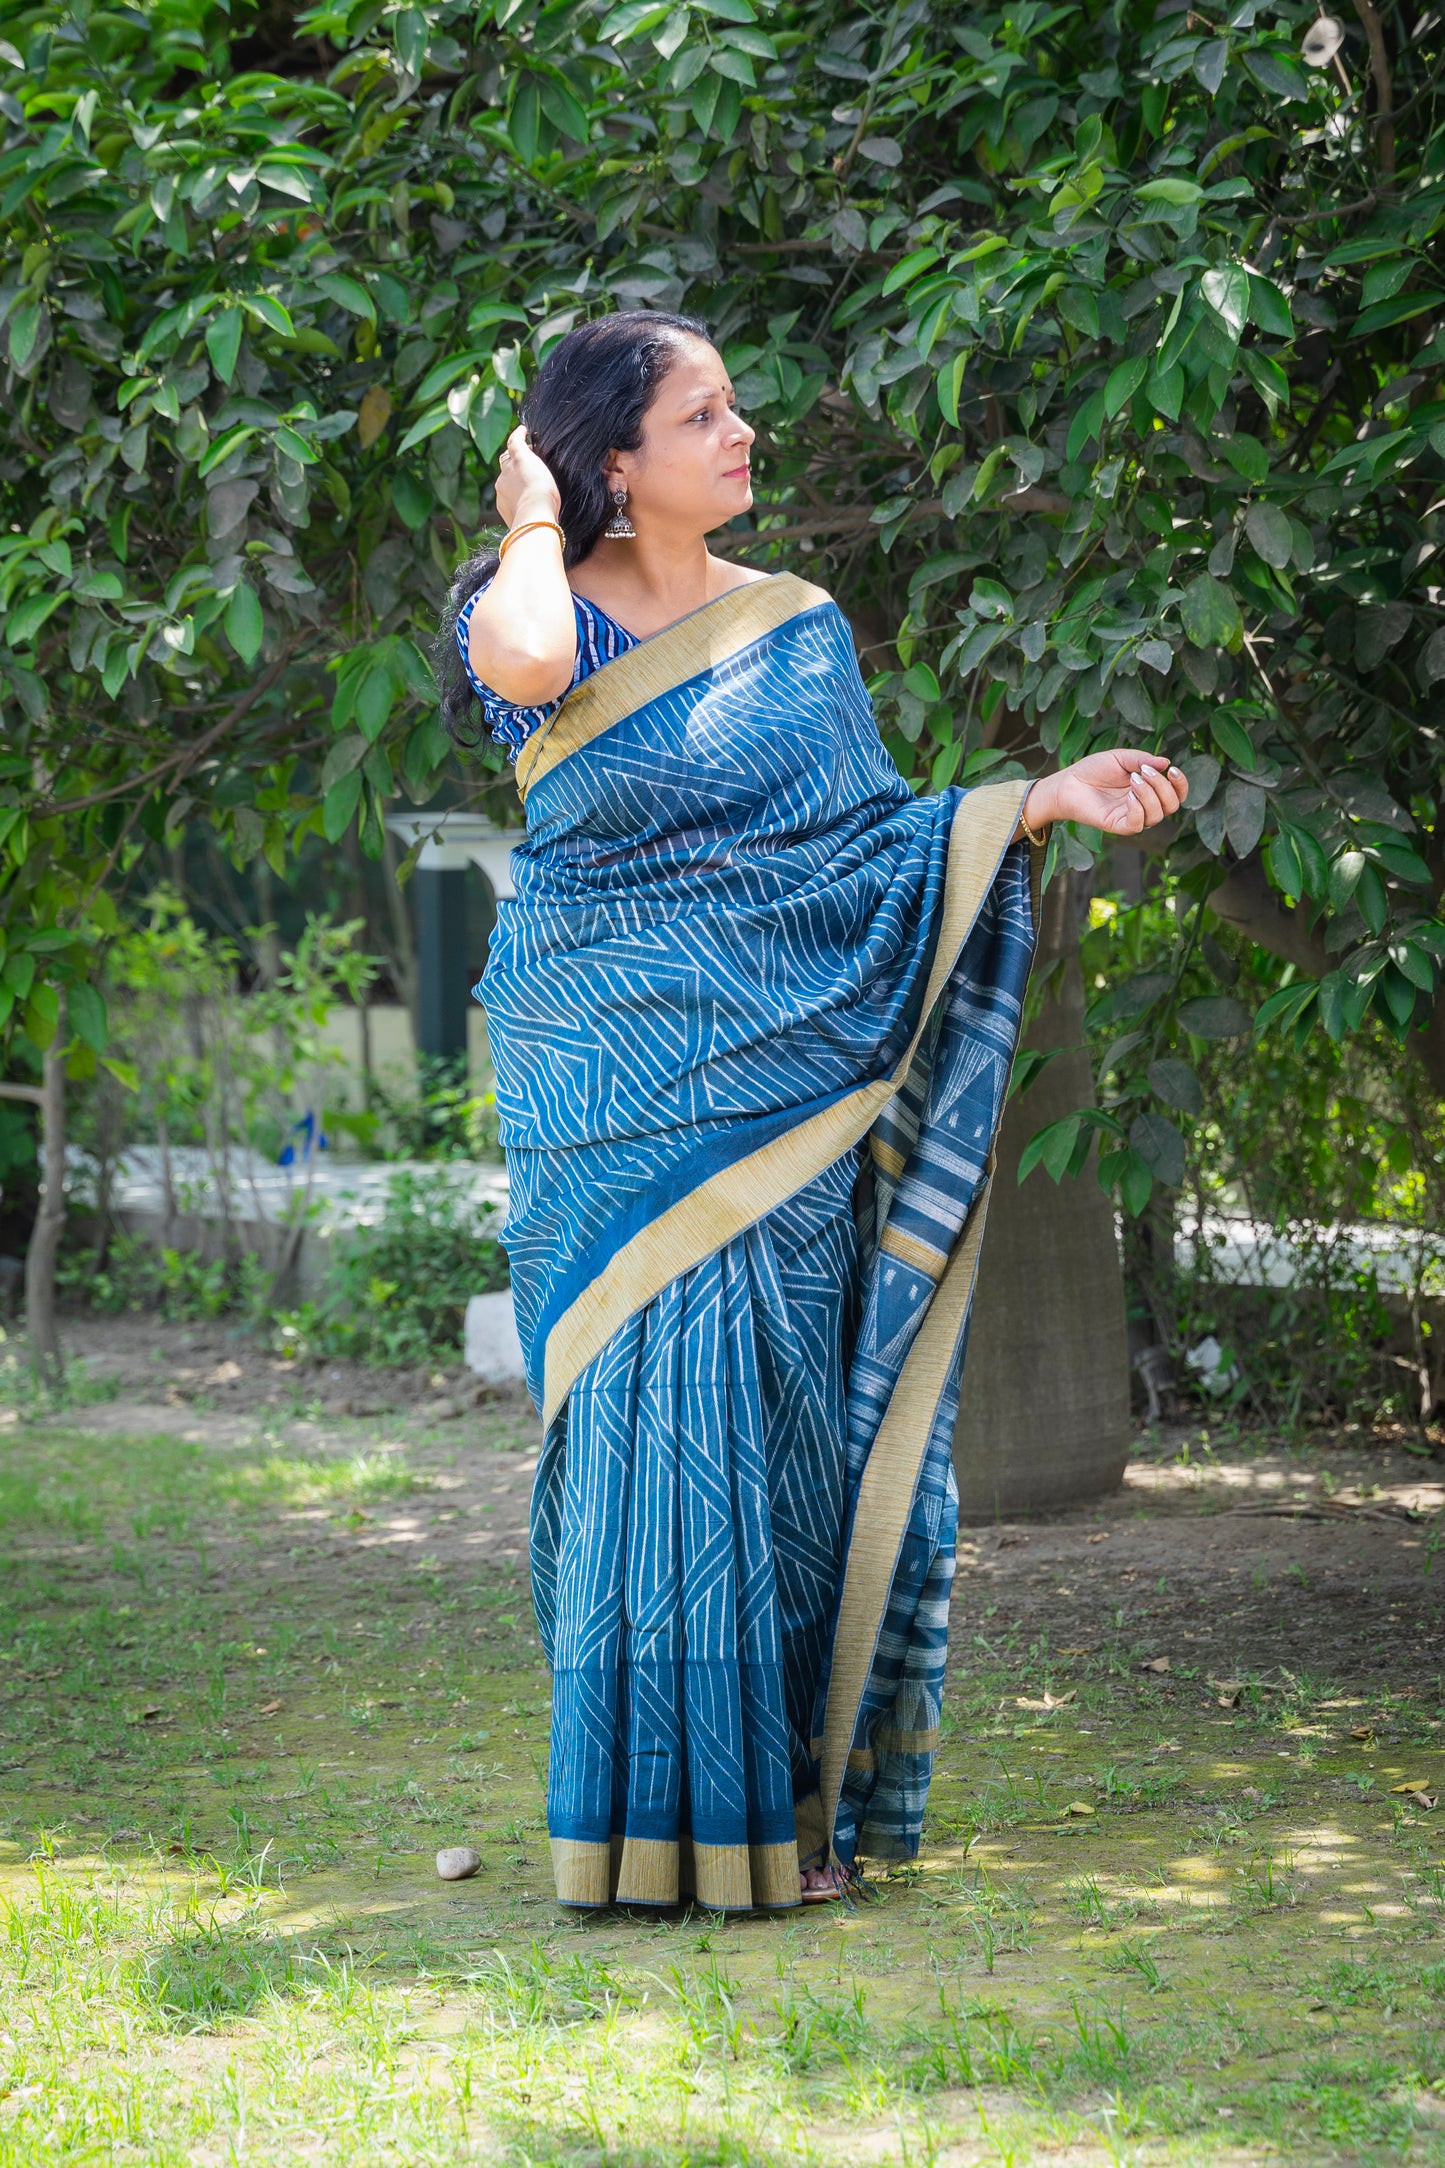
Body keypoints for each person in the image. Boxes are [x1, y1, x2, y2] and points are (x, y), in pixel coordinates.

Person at [434, 309, 1186, 1911]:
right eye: (701, 416)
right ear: (616, 461)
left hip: (780, 1094)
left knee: (784, 1446)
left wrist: (1032, 803)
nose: (741, 433)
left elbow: (858, 850)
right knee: (643, 1453)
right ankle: (642, 1829)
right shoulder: (536, 604)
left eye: (734, 407)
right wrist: (528, 518)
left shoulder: (798, 630)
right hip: (609, 1099)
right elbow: (519, 661)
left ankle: (781, 1820)